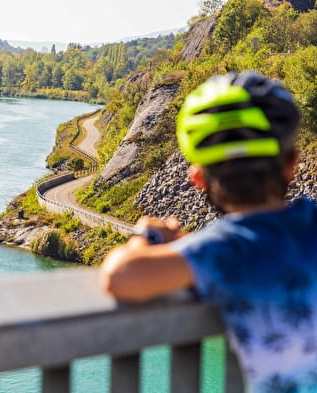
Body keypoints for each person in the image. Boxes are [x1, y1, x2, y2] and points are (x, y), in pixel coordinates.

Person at [99, 71, 317, 393]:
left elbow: (121, 278)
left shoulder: (224, 250)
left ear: (198, 179)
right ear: (292, 165)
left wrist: (146, 237)